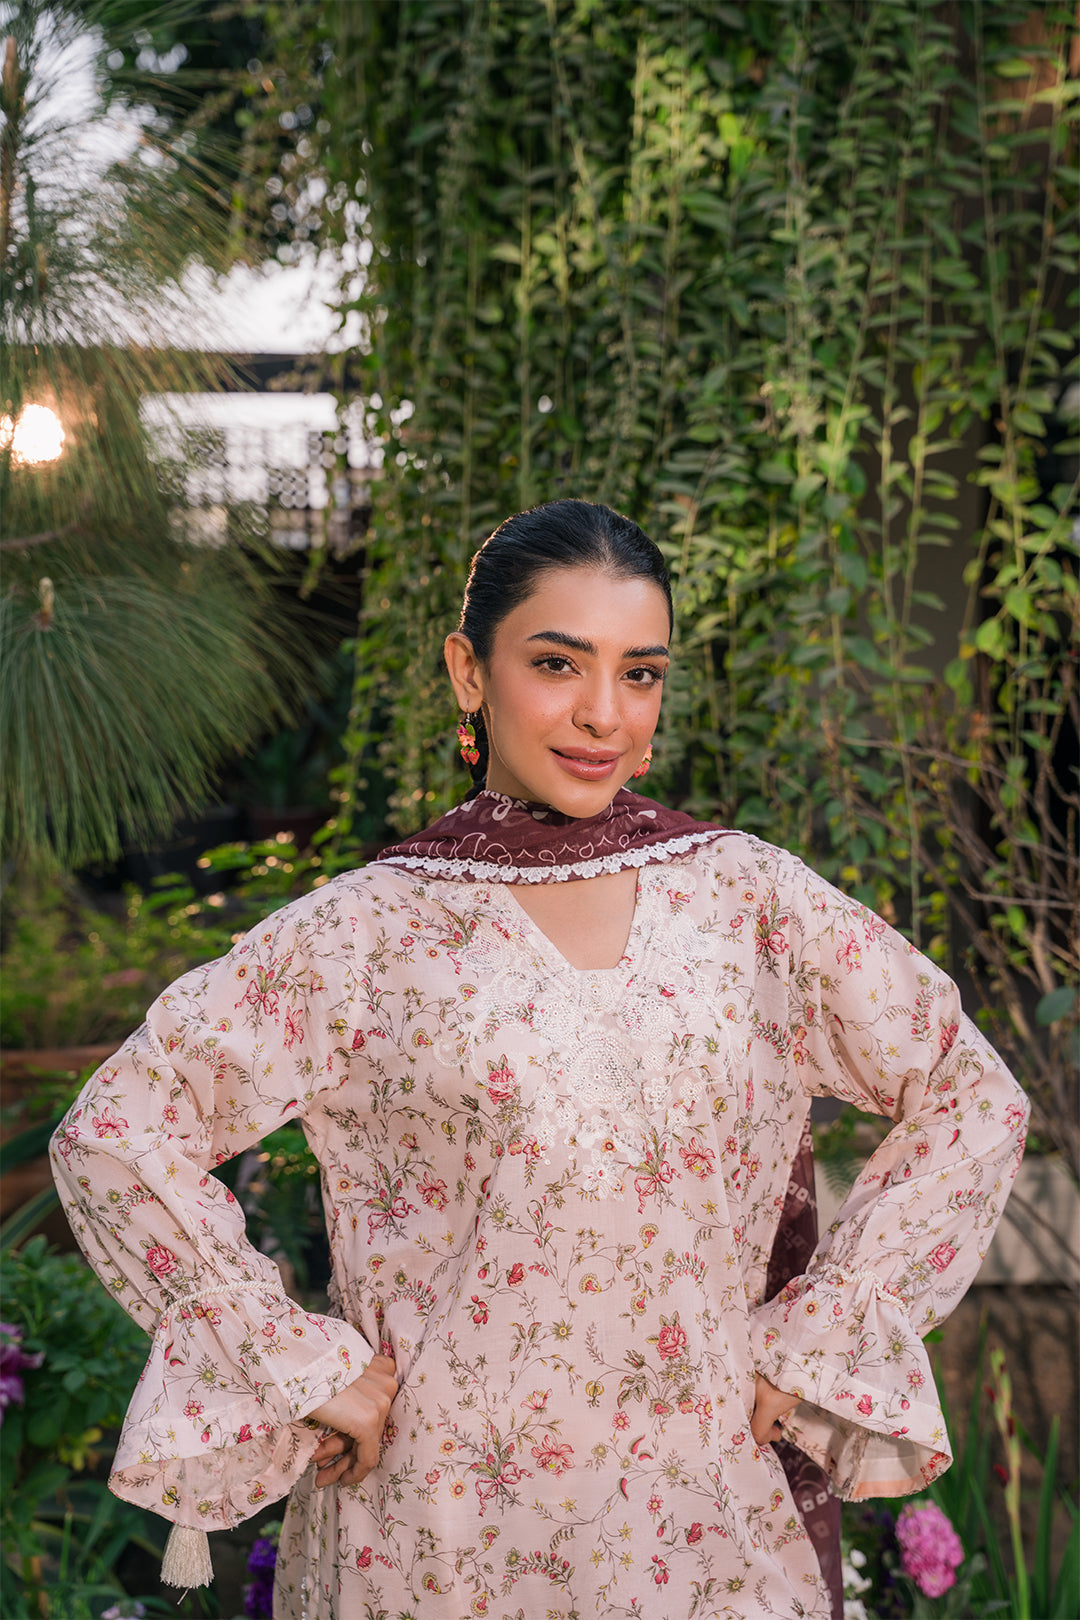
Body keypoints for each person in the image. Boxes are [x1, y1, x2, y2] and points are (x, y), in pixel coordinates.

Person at [52, 500, 1029, 1620]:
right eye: (558, 663)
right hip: (437, 1535)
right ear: (469, 671)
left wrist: (819, 1334)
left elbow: (969, 1096)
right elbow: (115, 1133)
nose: (604, 713)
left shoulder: (749, 902)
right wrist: (294, 1361)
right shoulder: (368, 932)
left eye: (640, 673)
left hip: (704, 1525)